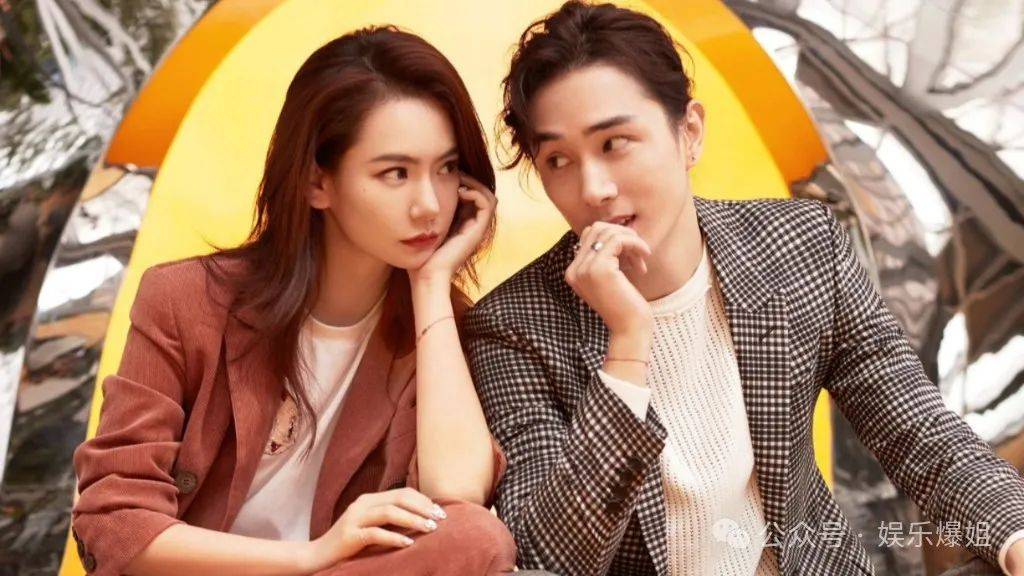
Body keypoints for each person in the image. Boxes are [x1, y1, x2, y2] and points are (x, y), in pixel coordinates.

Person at [462, 2, 1024, 575]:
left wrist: (1014, 534)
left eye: (614, 143)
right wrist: (627, 346)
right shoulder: (512, 327)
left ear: (689, 133)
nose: (593, 188)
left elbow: (917, 429)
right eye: (558, 159)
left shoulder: (799, 246)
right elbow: (552, 559)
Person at [72, 26, 515, 576]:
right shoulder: (186, 302)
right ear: (315, 183)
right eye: (395, 173)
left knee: (474, 538)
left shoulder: (443, 326)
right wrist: (311, 556)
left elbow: (459, 497)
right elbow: (115, 520)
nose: (430, 204)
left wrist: (430, 287)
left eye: (446, 169)